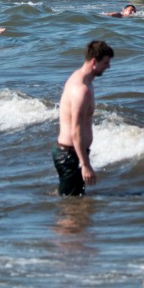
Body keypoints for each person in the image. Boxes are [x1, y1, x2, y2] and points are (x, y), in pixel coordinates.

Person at [54, 39, 114, 196]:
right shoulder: (82, 91)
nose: (109, 66)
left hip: (71, 154)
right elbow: (76, 130)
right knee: (72, 207)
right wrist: (85, 164)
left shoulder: (80, 77)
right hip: (70, 156)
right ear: (94, 61)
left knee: (74, 203)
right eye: (106, 63)